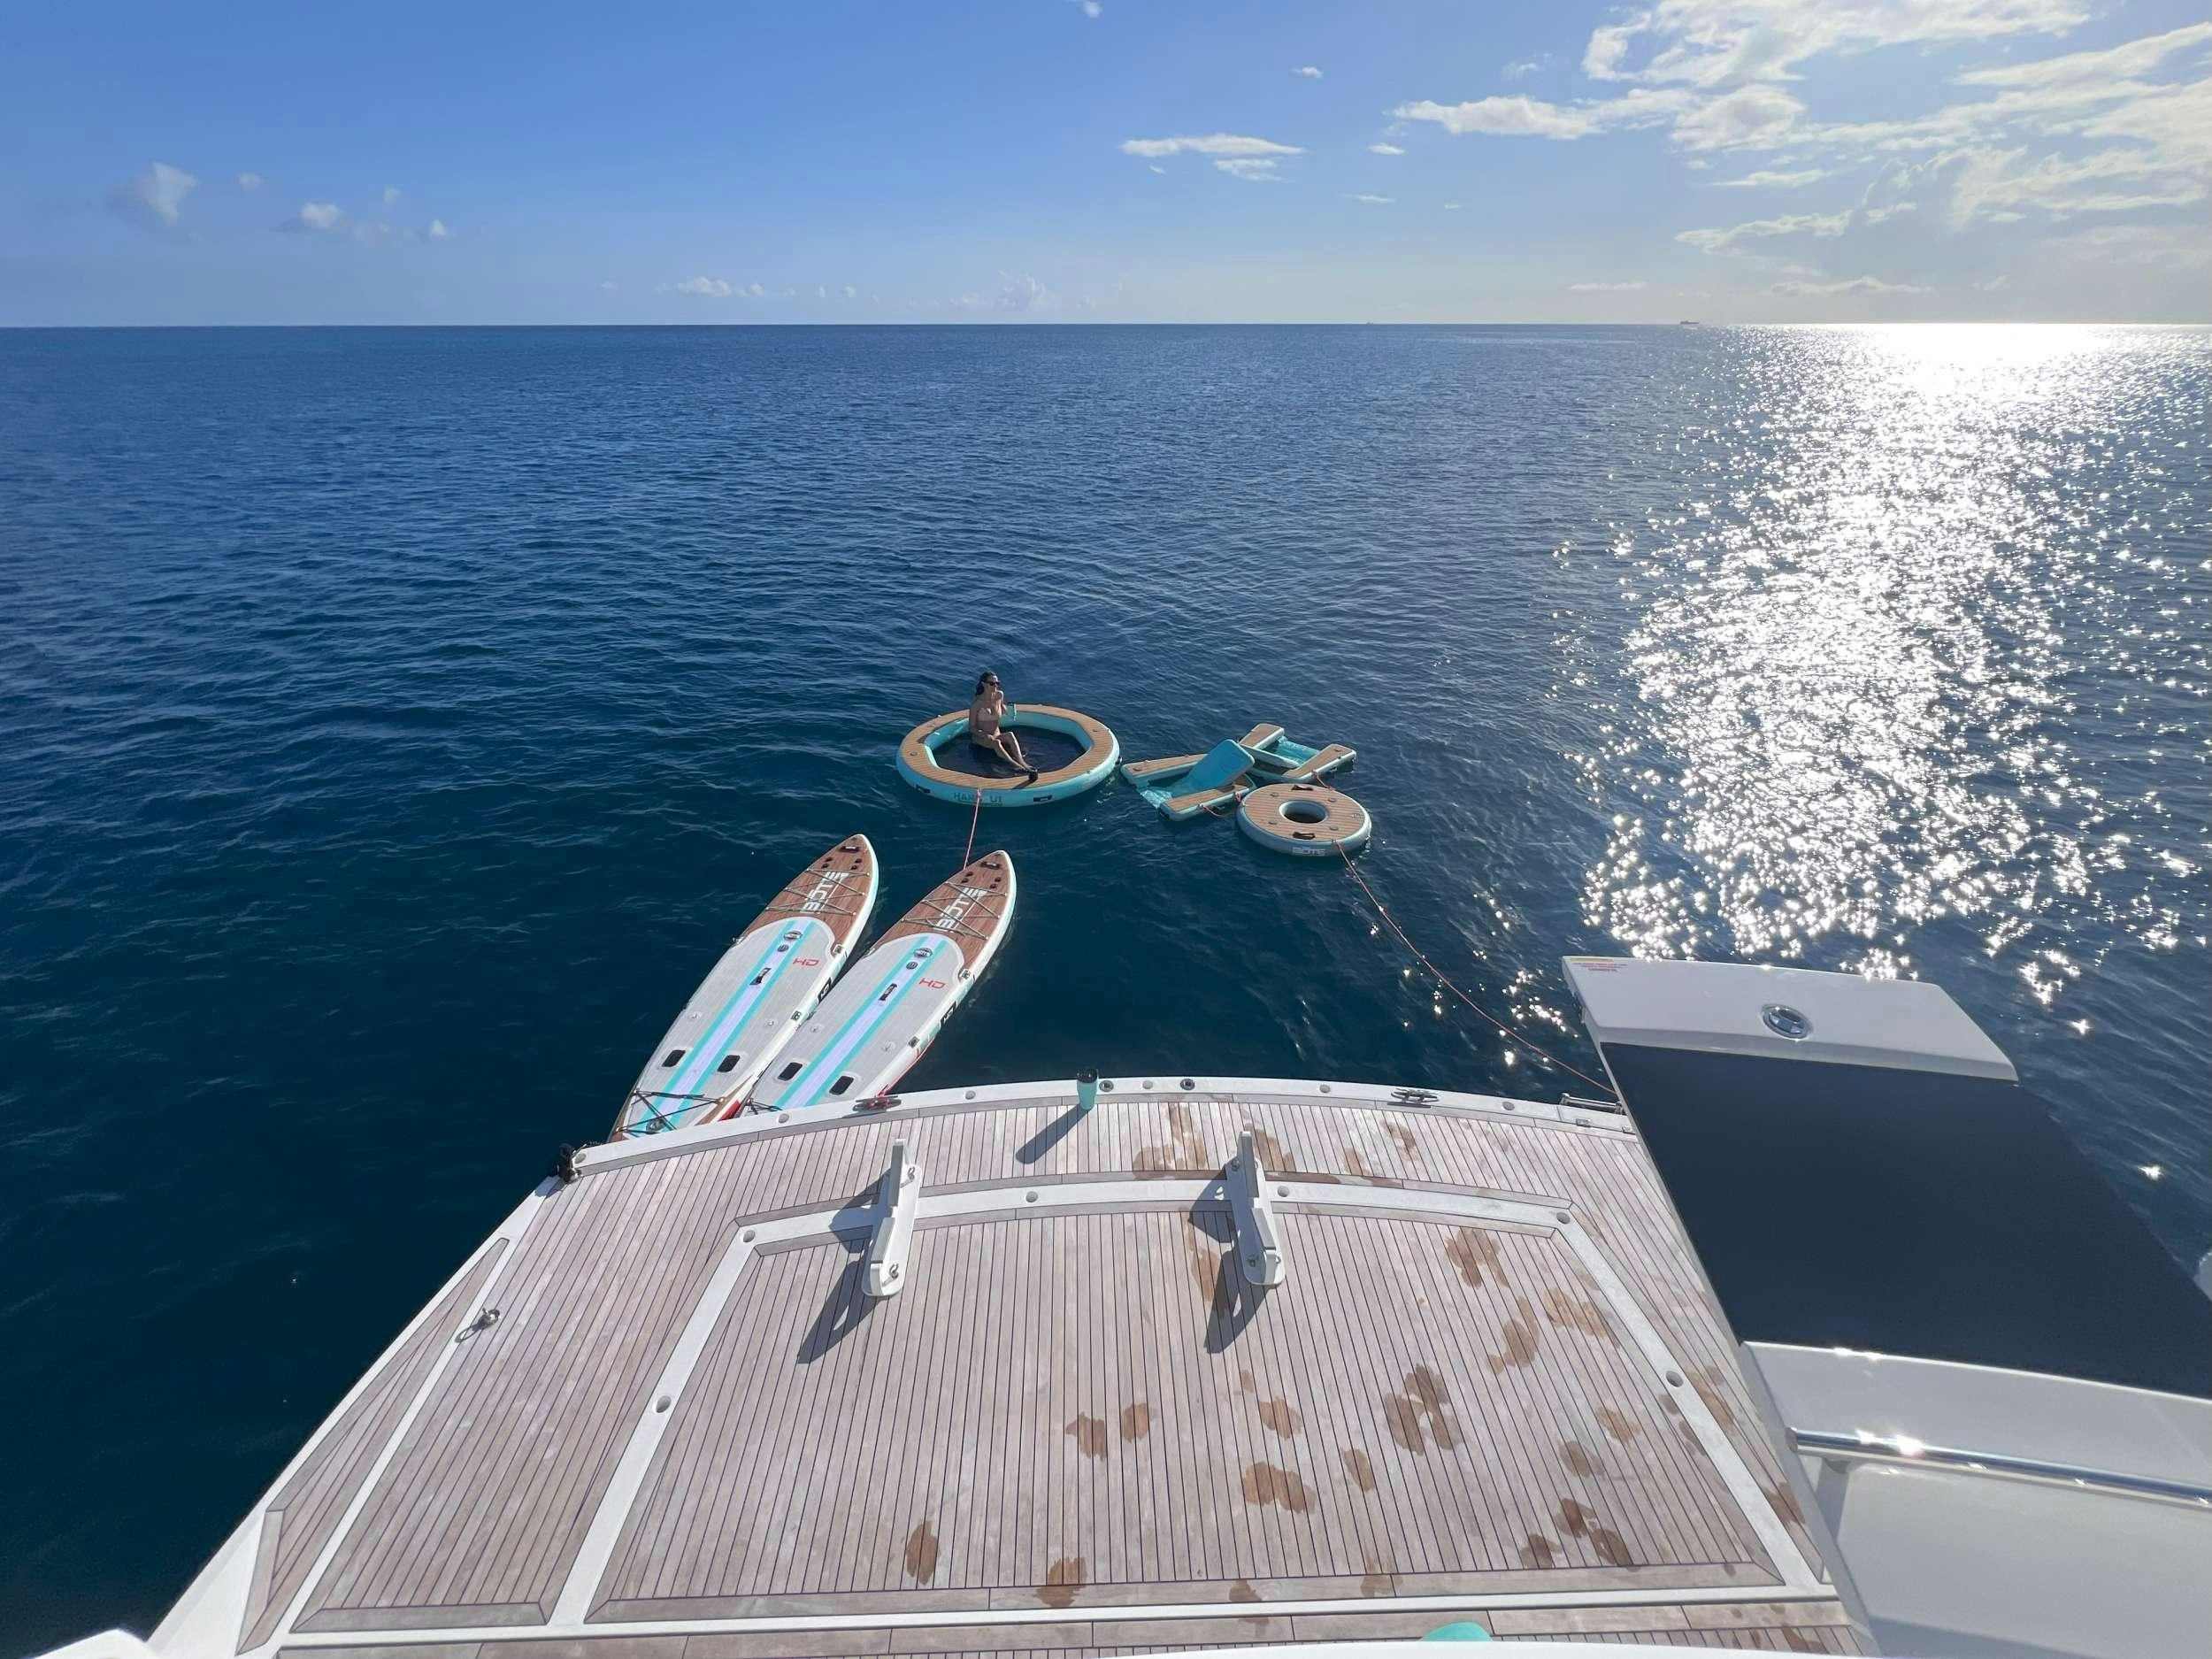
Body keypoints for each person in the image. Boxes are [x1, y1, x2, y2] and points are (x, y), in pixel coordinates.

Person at [968, 671, 1038, 783]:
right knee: (996, 743)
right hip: (982, 737)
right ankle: (1016, 766)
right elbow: (971, 727)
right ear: (983, 684)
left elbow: (1002, 708)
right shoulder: (977, 704)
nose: (995, 686)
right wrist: (984, 734)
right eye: (992, 684)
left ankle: (1023, 762)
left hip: (997, 734)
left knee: (1010, 735)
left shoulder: (999, 695)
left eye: (997, 683)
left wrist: (1006, 709)